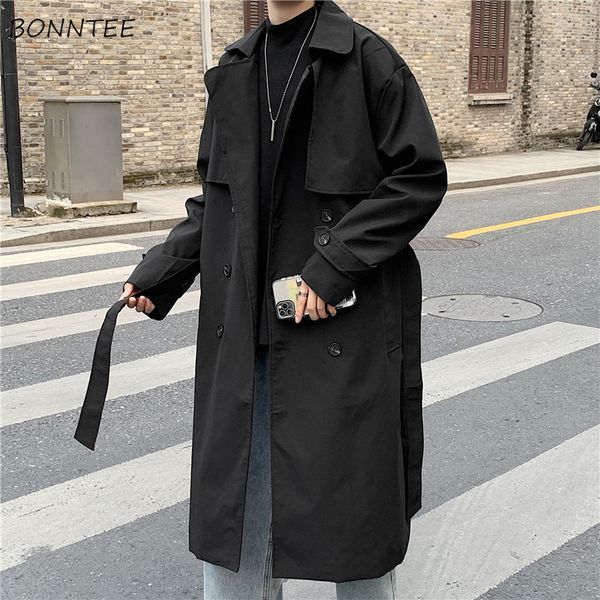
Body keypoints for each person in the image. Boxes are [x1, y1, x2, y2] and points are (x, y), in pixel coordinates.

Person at [105, 1, 447, 598]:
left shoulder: (367, 59)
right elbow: (216, 201)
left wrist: (335, 264)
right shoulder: (236, 66)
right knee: (236, 528)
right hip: (247, 342)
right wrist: (163, 270)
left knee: (356, 532)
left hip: (342, 336)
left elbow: (417, 178)